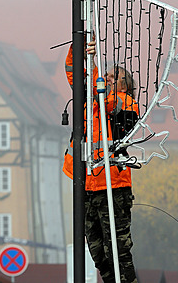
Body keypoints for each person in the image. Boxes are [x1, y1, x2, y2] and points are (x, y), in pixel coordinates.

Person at [62, 40, 139, 283]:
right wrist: (79, 46)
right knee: (97, 251)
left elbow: (103, 98)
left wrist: (94, 69)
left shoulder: (126, 103)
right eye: (105, 74)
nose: (106, 77)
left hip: (113, 185)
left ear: (124, 86)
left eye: (113, 76)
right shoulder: (92, 101)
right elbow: (75, 74)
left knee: (117, 249)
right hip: (86, 183)